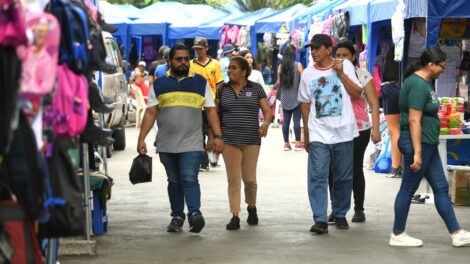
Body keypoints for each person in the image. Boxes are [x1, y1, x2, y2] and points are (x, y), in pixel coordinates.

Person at [137, 44, 223, 233]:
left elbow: (210, 110)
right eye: (179, 59)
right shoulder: (159, 84)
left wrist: (217, 136)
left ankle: (194, 214)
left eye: (186, 59)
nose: (183, 62)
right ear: (170, 61)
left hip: (192, 143)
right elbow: (151, 113)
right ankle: (177, 216)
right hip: (166, 143)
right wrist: (141, 138)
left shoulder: (200, 83)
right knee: (174, 181)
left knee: (189, 177)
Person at [390, 48, 470, 247]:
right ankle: (397, 234)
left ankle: (457, 232)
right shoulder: (417, 85)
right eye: (441, 66)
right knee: (408, 189)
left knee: (441, 188)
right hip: (419, 144)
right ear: (430, 65)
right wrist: (417, 153)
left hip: (428, 144)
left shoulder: (423, 83)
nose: (443, 70)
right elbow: (414, 121)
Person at [298, 34, 363, 234]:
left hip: (343, 131)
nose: (313, 52)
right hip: (319, 132)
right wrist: (306, 135)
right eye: (312, 49)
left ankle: (340, 212)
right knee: (317, 176)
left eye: (317, 48)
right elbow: (306, 105)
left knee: (343, 177)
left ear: (328, 49)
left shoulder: (346, 66)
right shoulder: (308, 74)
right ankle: (320, 219)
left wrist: (341, 74)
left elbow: (357, 93)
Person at [215, 56, 272, 230]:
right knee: (233, 179)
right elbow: (215, 113)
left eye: (234, 68)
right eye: (229, 68)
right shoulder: (222, 89)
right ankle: (235, 215)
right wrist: (214, 135)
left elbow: (267, 111)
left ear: (244, 71)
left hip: (251, 140)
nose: (229, 70)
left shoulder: (256, 89)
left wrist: (265, 124)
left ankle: (252, 207)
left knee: (249, 179)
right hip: (229, 140)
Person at [328, 40, 381, 223]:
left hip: (360, 130)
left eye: (346, 55)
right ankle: (336, 209)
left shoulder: (362, 76)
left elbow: (374, 104)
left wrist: (376, 130)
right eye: (338, 55)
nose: (342, 59)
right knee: (332, 171)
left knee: (355, 169)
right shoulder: (329, 75)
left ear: (353, 57)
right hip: (335, 130)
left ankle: (359, 208)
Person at [190, 37, 224, 170]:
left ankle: (212, 155)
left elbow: (219, 84)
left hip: (211, 105)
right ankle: (203, 161)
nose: (198, 52)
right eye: (196, 49)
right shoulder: (191, 65)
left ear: (206, 48)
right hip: (196, 105)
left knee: (211, 131)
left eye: (200, 49)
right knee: (198, 133)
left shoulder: (215, 64)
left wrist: (218, 103)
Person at [277, 45, 304, 151]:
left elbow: (279, 83)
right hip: (297, 97)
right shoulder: (298, 65)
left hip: (284, 98)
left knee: (286, 121)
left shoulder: (280, 67)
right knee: (297, 120)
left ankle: (286, 144)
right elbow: (304, 80)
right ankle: (298, 144)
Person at [381, 46, 402, 178]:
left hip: (389, 88)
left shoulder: (391, 52)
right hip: (399, 87)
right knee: (398, 129)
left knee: (393, 130)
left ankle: (396, 166)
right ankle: (398, 165)